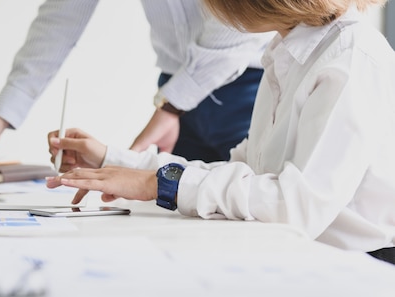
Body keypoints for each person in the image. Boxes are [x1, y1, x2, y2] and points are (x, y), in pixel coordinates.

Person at [45, 0, 395, 265]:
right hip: (307, 256)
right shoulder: (288, 54)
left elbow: (296, 207)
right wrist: (115, 160)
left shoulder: (351, 59)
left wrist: (159, 183)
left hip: (360, 266)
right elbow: (243, 173)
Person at [0, 0, 273, 184]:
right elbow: (59, 22)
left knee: (255, 214)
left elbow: (238, 26)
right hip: (175, 93)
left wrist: (171, 106)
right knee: (186, 220)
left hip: (250, 87)